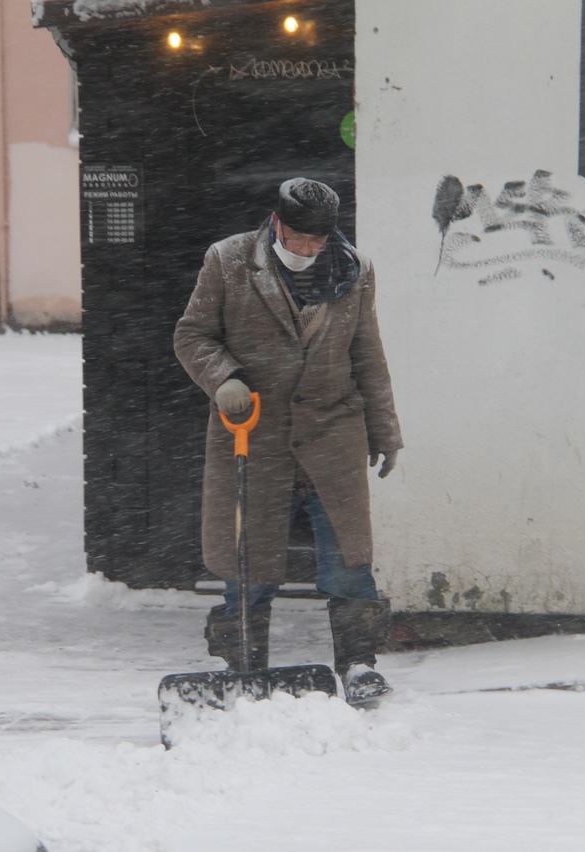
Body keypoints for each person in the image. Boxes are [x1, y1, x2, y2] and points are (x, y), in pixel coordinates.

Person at [174, 177, 403, 705]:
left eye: (316, 242)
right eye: (297, 238)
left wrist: (385, 429)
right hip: (252, 432)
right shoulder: (229, 261)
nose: (305, 250)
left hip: (332, 433)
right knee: (246, 560)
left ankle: (359, 664)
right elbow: (192, 334)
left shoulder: (355, 271)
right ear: (276, 224)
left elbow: (367, 352)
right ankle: (242, 666)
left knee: (347, 560)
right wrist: (223, 377)